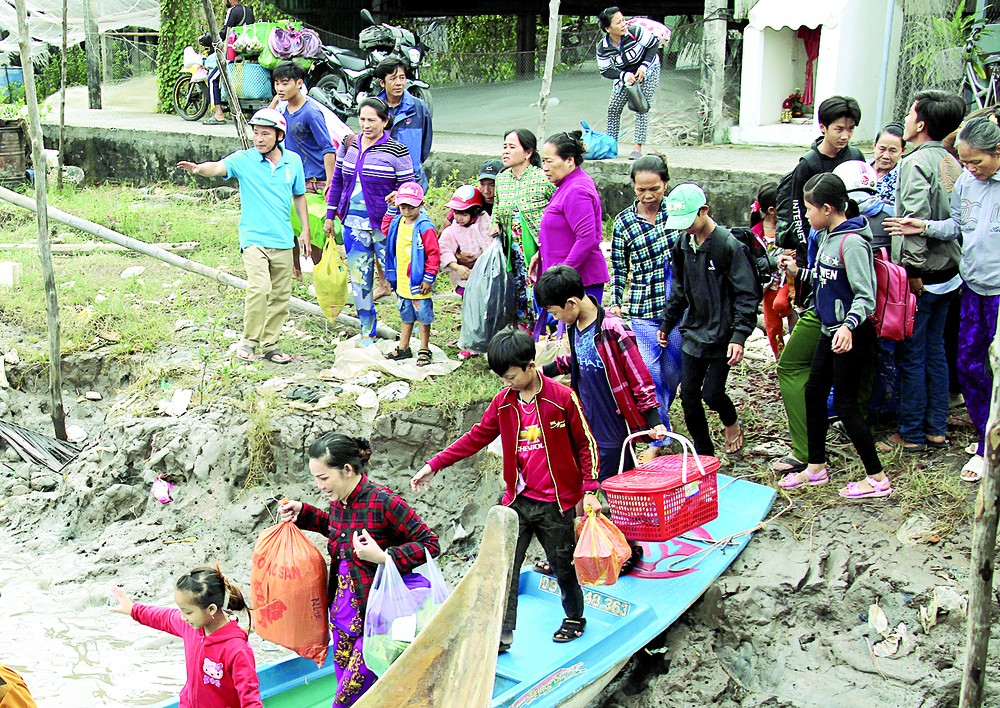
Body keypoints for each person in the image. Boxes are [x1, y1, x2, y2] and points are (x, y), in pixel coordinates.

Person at [411, 329, 600, 652]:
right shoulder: (504, 403)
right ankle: (503, 632)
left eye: (511, 376)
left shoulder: (561, 398)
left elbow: (586, 444)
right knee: (506, 564)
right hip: (517, 500)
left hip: (556, 502)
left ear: (530, 366)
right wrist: (435, 464)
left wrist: (590, 488)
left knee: (562, 562)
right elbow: (476, 437)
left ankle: (574, 617)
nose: (507, 383)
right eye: (502, 378)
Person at [279, 434, 439, 707]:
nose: (319, 486)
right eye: (315, 478)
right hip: (341, 618)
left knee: (345, 699)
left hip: (376, 621)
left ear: (348, 470)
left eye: (323, 478)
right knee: (351, 690)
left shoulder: (385, 502)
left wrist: (384, 557)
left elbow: (430, 544)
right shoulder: (340, 500)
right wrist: (303, 512)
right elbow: (337, 528)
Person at [887, 116, 1000, 483]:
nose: (969, 170)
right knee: (968, 363)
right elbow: (958, 226)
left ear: (998, 153)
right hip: (973, 286)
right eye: (965, 162)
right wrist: (923, 226)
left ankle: (989, 448)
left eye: (976, 162)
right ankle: (986, 433)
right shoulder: (968, 181)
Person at [778, 173, 888, 498]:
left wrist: (848, 325)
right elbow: (826, 277)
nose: (807, 216)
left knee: (846, 403)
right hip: (830, 330)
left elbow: (865, 295)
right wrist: (800, 274)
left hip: (849, 334)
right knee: (813, 392)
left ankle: (877, 478)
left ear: (827, 209)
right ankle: (815, 467)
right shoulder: (826, 235)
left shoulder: (852, 242)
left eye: (810, 209)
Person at [771, 97, 864, 475]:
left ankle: (808, 449)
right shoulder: (808, 166)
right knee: (821, 375)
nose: (844, 136)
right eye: (837, 128)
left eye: (849, 129)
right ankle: (815, 445)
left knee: (797, 367)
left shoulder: (856, 159)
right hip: (818, 277)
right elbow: (798, 217)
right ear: (822, 128)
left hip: (836, 292)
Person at [178, 108, 308, 365]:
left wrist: (304, 229)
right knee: (260, 288)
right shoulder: (244, 159)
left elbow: (299, 195)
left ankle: (270, 345)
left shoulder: (293, 162)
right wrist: (198, 169)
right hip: (253, 238)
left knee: (281, 297)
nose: (259, 139)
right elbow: (218, 167)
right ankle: (249, 342)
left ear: (279, 136)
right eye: (256, 133)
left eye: (265, 134)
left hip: (282, 239)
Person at [878, 90, 964, 454]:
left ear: (922, 123)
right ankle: (936, 428)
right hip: (951, 271)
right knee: (936, 351)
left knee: (912, 353)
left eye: (911, 113)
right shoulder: (952, 161)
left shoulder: (915, 164)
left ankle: (911, 432)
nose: (907, 119)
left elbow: (912, 221)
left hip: (924, 274)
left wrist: (911, 271)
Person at [537, 264, 667, 480]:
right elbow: (580, 359)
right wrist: (546, 370)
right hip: (589, 414)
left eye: (555, 313)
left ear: (571, 303)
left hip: (612, 421)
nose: (556, 319)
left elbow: (639, 375)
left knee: (617, 474)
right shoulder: (574, 325)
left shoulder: (613, 329)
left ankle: (624, 511)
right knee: (592, 467)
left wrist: (653, 419)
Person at [658, 183, 758, 457]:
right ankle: (705, 456)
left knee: (712, 393)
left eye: (688, 221)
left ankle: (731, 422)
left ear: (704, 211)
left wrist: (739, 336)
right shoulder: (683, 244)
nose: (685, 228)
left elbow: (746, 295)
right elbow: (679, 287)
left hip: (723, 335)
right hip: (694, 329)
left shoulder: (729, 246)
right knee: (688, 396)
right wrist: (668, 322)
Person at [326, 97, 414, 345]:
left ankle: (411, 323)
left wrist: (400, 196)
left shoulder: (397, 151)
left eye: (372, 120)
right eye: (362, 119)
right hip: (353, 225)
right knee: (360, 278)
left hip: (386, 226)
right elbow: (339, 184)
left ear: (385, 122)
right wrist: (330, 216)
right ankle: (367, 329)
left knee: (397, 275)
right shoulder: (349, 145)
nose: (366, 125)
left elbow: (410, 187)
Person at [110, 566, 262, 708]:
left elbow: (250, 697)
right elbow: (164, 617)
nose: (183, 617)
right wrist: (133, 609)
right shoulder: (192, 627)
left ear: (211, 609)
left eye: (188, 612)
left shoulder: (237, 650)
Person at [611, 153, 682, 431]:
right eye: (641, 189)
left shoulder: (676, 213)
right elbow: (618, 267)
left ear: (665, 184)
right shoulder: (624, 222)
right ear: (633, 186)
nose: (648, 195)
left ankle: (663, 408)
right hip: (643, 308)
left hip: (676, 308)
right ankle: (660, 432)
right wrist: (616, 301)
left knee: (673, 371)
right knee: (650, 373)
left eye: (654, 188)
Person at [532, 131, 610, 338]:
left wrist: (561, 277)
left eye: (549, 161)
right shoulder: (566, 185)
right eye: (543, 161)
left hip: (578, 283)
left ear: (569, 160)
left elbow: (587, 238)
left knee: (576, 343)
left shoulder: (576, 189)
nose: (544, 167)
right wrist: (540, 256)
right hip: (562, 278)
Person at [491, 129, 555, 333]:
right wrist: (495, 225)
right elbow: (497, 208)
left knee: (539, 295)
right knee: (515, 296)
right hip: (511, 252)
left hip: (538, 251)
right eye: (504, 147)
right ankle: (522, 339)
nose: (506, 152)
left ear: (528, 153)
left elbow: (557, 208)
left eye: (512, 147)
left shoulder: (542, 178)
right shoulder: (501, 178)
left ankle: (544, 339)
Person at [381, 182, 440, 367]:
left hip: (418, 280)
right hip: (402, 279)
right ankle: (403, 346)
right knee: (406, 314)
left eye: (411, 206)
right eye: (402, 206)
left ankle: (424, 348)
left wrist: (428, 278)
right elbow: (385, 229)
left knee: (423, 315)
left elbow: (433, 253)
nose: (406, 210)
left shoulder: (425, 227)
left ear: (421, 204)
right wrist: (391, 210)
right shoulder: (398, 222)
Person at [596, 6, 661, 159]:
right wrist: (624, 75)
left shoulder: (635, 32)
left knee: (641, 106)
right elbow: (606, 70)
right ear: (608, 28)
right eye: (618, 23)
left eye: (623, 20)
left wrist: (644, 67)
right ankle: (611, 146)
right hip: (624, 76)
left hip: (648, 71)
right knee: (613, 107)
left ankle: (637, 148)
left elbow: (653, 46)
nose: (623, 24)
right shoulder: (603, 48)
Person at [751, 182, 796, 360]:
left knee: (782, 305)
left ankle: (797, 346)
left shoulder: (789, 226)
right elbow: (755, 260)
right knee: (772, 326)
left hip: (788, 280)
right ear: (771, 210)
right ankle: (781, 360)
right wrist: (779, 255)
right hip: (769, 284)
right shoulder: (755, 233)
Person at [375, 57, 433, 191]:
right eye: (393, 78)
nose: (399, 83)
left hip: (412, 180)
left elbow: (425, 144)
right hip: (382, 179)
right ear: (382, 82)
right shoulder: (374, 108)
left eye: (402, 78)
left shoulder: (418, 107)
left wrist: (414, 165)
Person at [205, 0, 255, 125]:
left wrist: (209, 39)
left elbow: (225, 34)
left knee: (212, 79)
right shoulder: (248, 11)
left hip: (231, 55)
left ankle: (218, 114)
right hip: (246, 55)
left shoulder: (232, 11)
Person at [439, 185, 492, 297]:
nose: (459, 218)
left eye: (464, 214)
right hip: (464, 279)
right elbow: (443, 249)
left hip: (487, 277)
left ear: (474, 213)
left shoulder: (485, 224)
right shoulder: (452, 231)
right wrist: (456, 267)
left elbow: (492, 244)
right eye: (456, 213)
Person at [871, 122, 905, 208]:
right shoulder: (860, 168)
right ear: (874, 145)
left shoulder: (902, 178)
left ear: (903, 151)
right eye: (882, 149)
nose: (886, 156)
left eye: (892, 151)